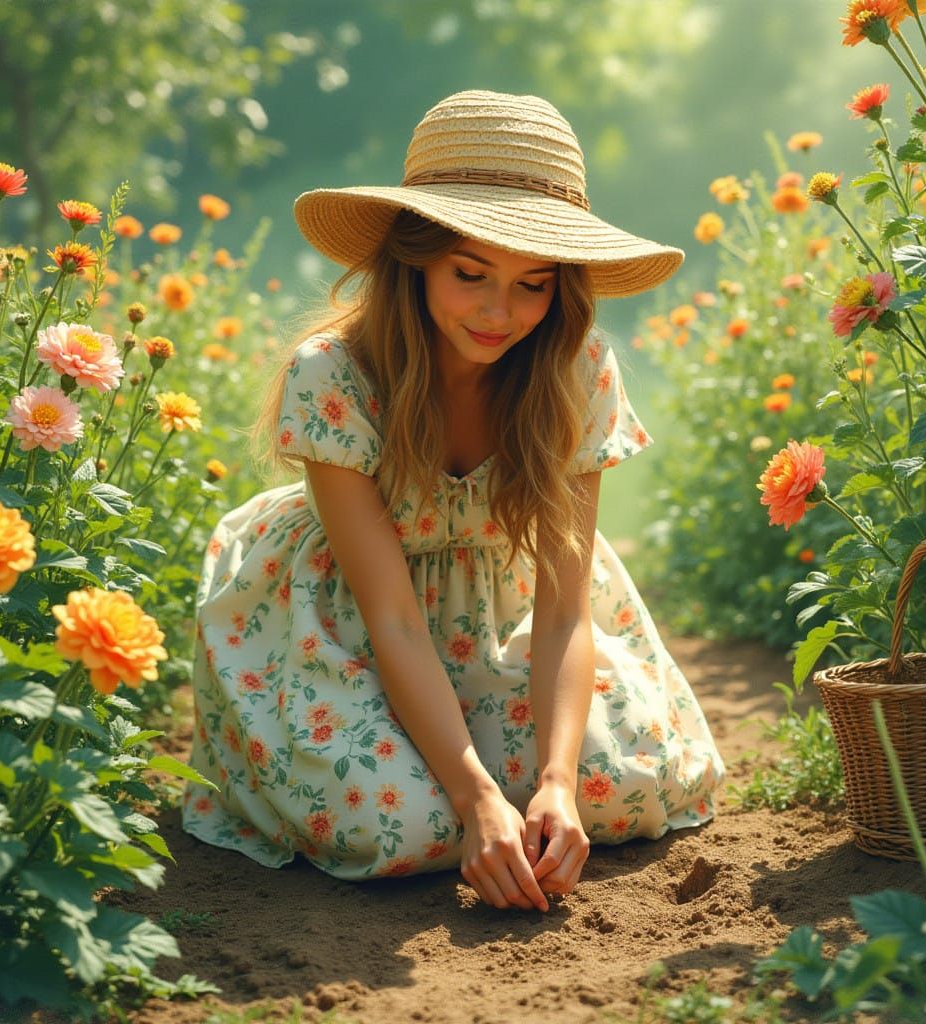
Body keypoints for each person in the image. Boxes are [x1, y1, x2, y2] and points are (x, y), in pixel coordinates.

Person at [181, 89, 726, 912]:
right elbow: (392, 619)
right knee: (404, 828)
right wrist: (476, 801)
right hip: (346, 621)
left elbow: (565, 610)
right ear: (415, 257)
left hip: (499, 614)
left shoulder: (576, 372)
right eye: (470, 274)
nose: (499, 313)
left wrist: (553, 782)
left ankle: (513, 781)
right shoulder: (333, 373)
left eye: (533, 285)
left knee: (614, 790)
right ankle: (459, 784)